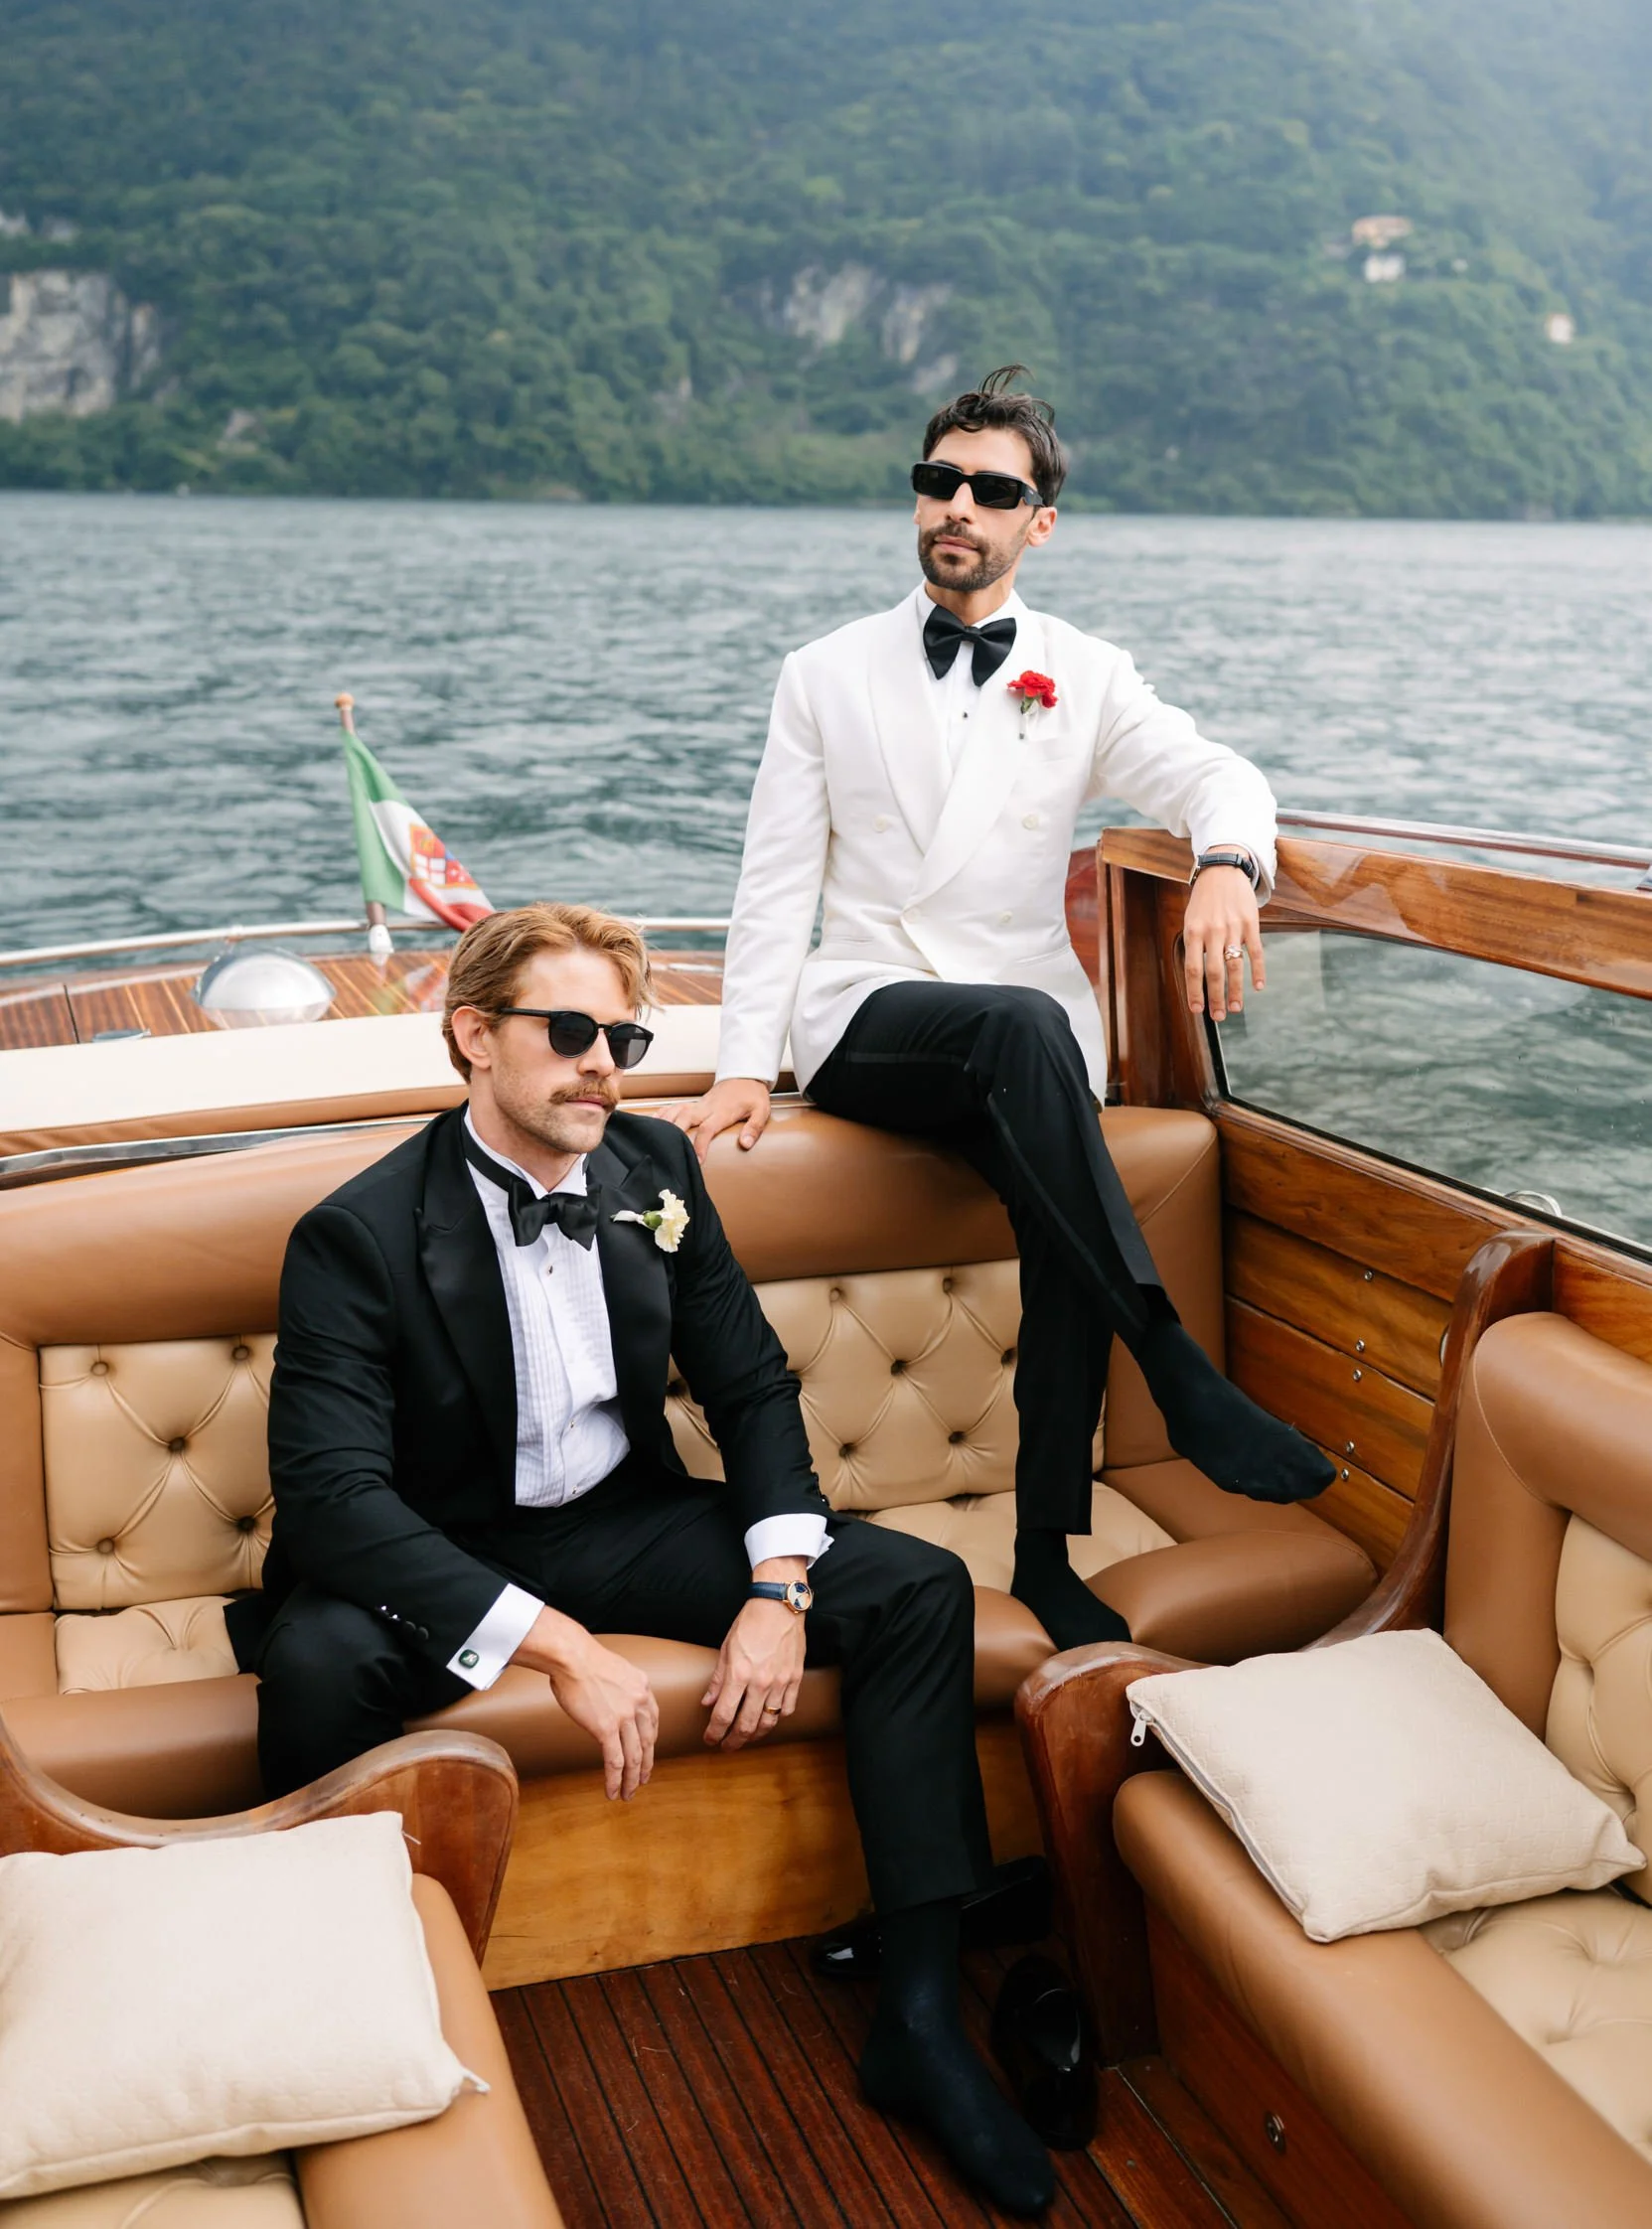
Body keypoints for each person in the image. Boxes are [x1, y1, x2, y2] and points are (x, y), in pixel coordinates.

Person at [233, 900, 1055, 2217]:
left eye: (622, 1038)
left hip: (623, 1519)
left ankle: (918, 2016)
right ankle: (334, 2011)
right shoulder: (360, 1231)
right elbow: (332, 1502)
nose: (601, 1064)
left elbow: (751, 1386)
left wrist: (777, 1590)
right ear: (473, 1036)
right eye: (569, 1032)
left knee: (916, 1588)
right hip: (447, 1544)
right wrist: (562, 1650)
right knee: (319, 1661)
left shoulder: (655, 1168)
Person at [663, 367, 1331, 1652]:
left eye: (990, 489)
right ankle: (1175, 1369)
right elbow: (773, 884)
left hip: (1020, 1039)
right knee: (1029, 1030)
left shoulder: (1085, 672)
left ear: (1040, 522)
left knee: (1050, 1159)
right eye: (939, 481)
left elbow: (1217, 776)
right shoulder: (823, 672)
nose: (957, 506)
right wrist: (745, 1062)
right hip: (872, 1014)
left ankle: (1042, 1555)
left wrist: (1224, 867)